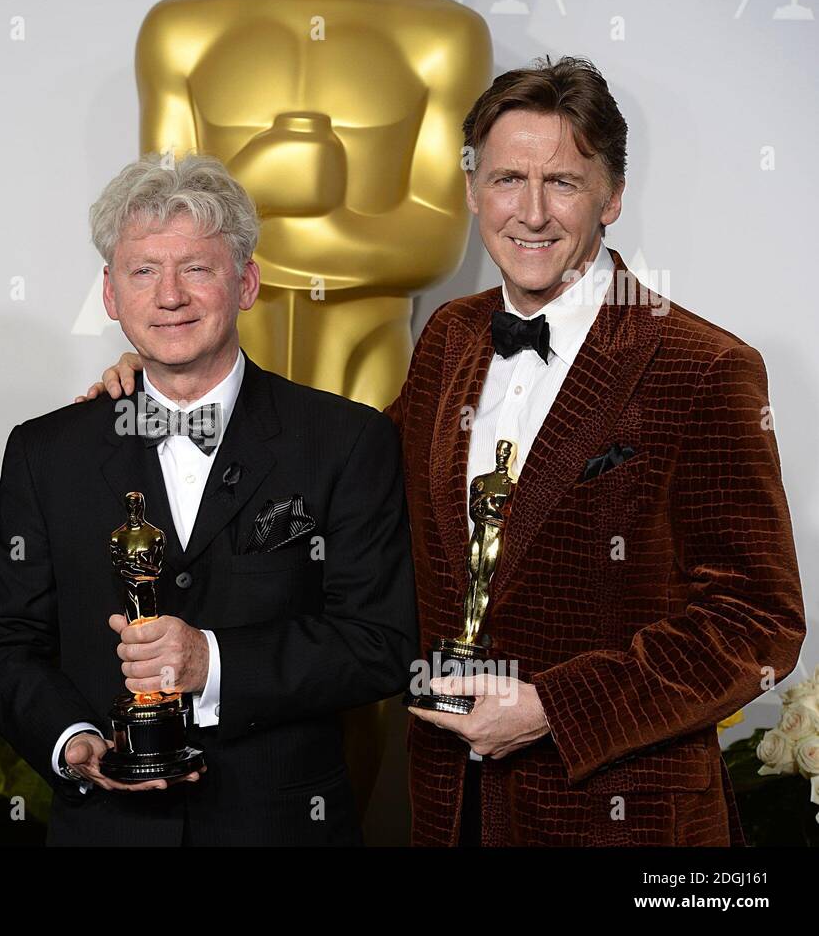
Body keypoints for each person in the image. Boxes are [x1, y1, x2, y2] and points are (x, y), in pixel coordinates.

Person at [88, 58, 805, 846]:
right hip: (445, 806)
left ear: (614, 194)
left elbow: (756, 622)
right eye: (505, 180)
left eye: (562, 182)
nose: (530, 213)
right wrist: (165, 380)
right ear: (472, 190)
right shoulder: (451, 339)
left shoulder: (703, 366)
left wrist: (553, 709)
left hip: (619, 814)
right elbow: (337, 477)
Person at [0, 153, 416, 845]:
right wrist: (71, 737)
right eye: (144, 271)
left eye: (196, 268)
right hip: (107, 829)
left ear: (247, 283)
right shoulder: (46, 452)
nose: (169, 295)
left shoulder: (346, 439)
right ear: (111, 294)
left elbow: (380, 642)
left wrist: (213, 662)